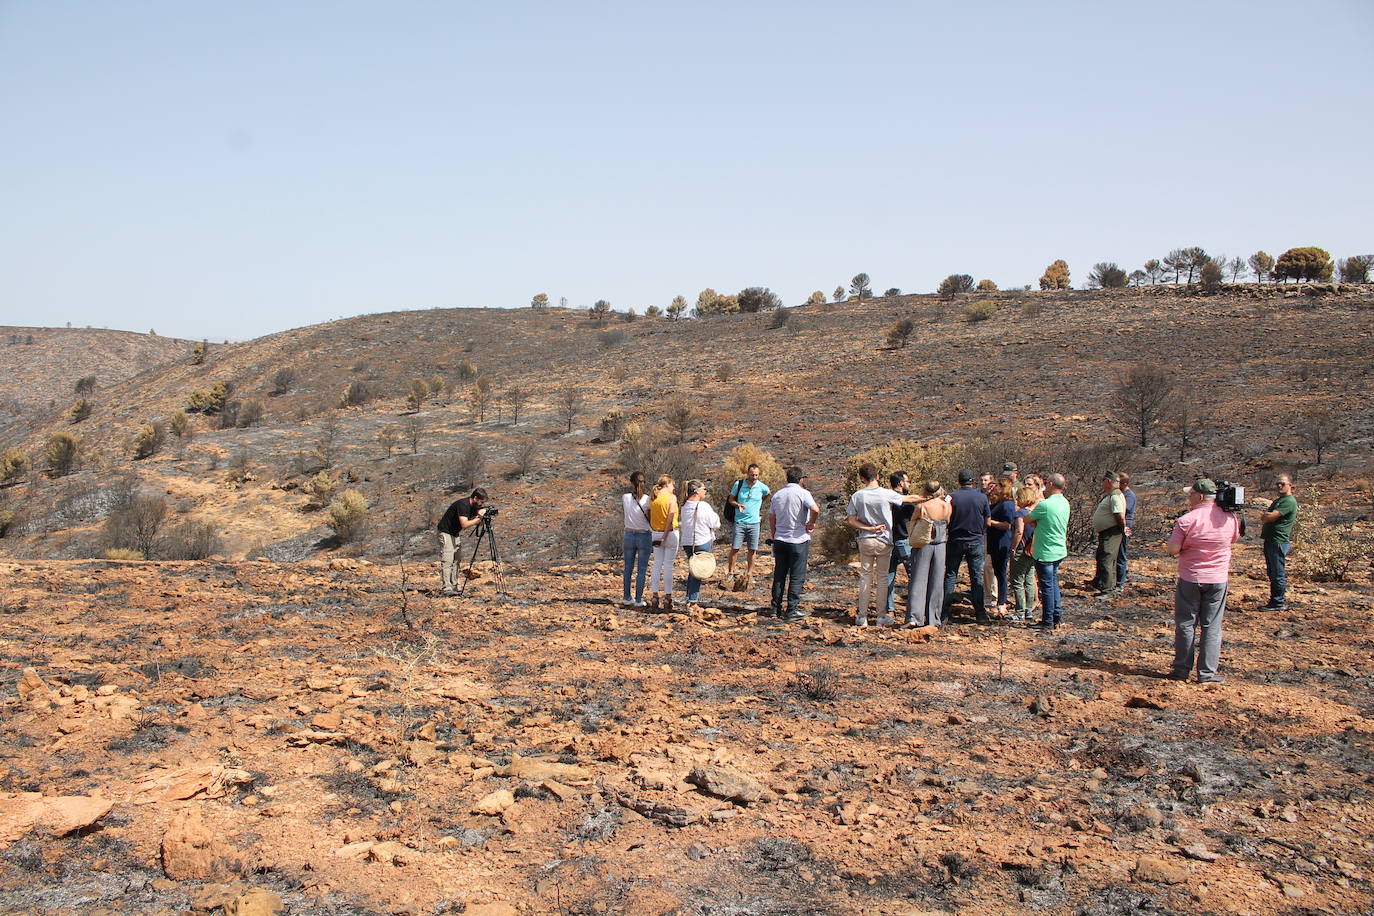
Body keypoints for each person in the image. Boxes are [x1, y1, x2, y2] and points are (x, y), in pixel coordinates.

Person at [1166, 478, 1241, 683]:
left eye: (1190, 494)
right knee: (1212, 627)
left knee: (1186, 624)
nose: (1189, 498)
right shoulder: (1231, 518)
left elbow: (1172, 550)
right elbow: (1234, 539)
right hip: (1217, 579)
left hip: (1191, 578)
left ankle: (1181, 670)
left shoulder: (1186, 520)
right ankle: (1207, 674)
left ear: (1199, 496)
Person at [846, 462, 920, 626]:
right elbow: (908, 498)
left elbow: (851, 519)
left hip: (865, 539)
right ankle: (880, 616)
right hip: (884, 540)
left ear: (862, 478)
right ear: (878, 476)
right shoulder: (886, 494)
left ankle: (862, 616)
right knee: (882, 578)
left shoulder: (857, 496)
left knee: (865, 577)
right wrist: (927, 496)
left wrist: (868, 528)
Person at [768, 466, 820, 621]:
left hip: (780, 539)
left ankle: (775, 608)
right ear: (800, 479)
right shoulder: (803, 493)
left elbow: (771, 516)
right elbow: (815, 509)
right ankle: (792, 609)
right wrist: (811, 523)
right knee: (797, 575)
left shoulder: (778, 495)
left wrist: (774, 533)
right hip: (798, 539)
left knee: (779, 574)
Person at [943, 469, 991, 625]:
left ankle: (944, 612)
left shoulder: (951, 497)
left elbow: (945, 518)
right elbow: (987, 521)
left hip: (955, 540)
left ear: (959, 481)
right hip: (976, 540)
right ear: (973, 481)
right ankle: (980, 613)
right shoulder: (982, 497)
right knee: (976, 577)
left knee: (950, 575)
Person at [1027, 474, 1070, 630]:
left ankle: (1047, 621)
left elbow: (1026, 519)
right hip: (1058, 549)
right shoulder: (1065, 502)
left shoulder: (1045, 505)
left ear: (1051, 484)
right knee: (1052, 583)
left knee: (1046, 587)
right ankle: (1056, 616)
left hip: (1045, 551)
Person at [906, 481, 951, 627]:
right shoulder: (947, 505)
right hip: (941, 544)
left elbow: (912, 521)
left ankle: (915, 617)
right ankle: (934, 619)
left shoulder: (922, 506)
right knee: (937, 581)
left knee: (919, 580)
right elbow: (948, 521)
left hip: (924, 544)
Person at [1257, 474, 1299, 612]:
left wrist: (1267, 516)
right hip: (1271, 541)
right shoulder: (1278, 501)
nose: (1279, 486)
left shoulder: (1288, 501)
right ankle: (1275, 600)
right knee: (1272, 572)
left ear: (1290, 485)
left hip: (1278, 541)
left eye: (1282, 483)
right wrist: (1266, 516)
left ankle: (1278, 602)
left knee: (1277, 572)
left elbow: (1269, 517)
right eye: (1277, 484)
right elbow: (1266, 516)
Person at [436, 487, 489, 595]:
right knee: (448, 560)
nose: (481, 505)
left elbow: (477, 523)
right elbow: (464, 524)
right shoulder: (463, 505)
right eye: (481, 502)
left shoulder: (474, 507)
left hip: (455, 534)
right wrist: (479, 517)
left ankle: (454, 586)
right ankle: (447, 588)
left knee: (457, 560)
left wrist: (484, 519)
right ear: (475, 498)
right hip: (445, 532)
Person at [725, 464, 771, 586]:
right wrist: (738, 505)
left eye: (756, 475)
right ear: (748, 474)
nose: (754, 477)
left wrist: (759, 503)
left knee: (752, 549)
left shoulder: (761, 487)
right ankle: (730, 573)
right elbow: (731, 500)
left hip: (754, 523)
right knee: (735, 548)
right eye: (752, 475)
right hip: (740, 522)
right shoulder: (739, 484)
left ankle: (749, 574)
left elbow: (768, 493)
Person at [679, 479, 720, 612]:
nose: (705, 492)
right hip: (701, 541)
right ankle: (692, 602)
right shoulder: (703, 506)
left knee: (693, 570)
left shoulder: (684, 507)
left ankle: (689, 599)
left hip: (687, 542)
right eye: (704, 489)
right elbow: (715, 523)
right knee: (698, 572)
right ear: (697, 491)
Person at [883, 471, 915, 620]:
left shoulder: (886, 499)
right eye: (908, 481)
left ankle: (889, 609)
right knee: (914, 576)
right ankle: (914, 610)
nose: (909, 484)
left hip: (887, 542)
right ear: (901, 483)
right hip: (904, 541)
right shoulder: (906, 502)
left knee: (888, 577)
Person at [1090, 472, 1127, 598]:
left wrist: (1122, 529)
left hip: (1112, 531)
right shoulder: (1112, 495)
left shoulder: (1115, 496)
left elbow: (1119, 514)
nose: (1102, 484)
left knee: (1107, 558)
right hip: (1108, 531)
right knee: (1104, 557)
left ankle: (1108, 590)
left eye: (1103, 481)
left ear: (1109, 481)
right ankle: (1103, 584)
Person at [647, 476, 680, 611]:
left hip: (655, 532)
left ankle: (654, 596)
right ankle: (667, 597)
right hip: (670, 534)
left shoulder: (653, 498)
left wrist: (655, 530)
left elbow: (649, 515)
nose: (674, 487)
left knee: (657, 564)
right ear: (667, 484)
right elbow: (670, 518)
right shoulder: (671, 498)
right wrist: (665, 536)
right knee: (668, 566)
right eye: (672, 485)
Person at [620, 471, 652, 607]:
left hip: (629, 534)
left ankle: (627, 597)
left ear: (631, 482)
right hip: (643, 534)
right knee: (642, 569)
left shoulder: (625, 497)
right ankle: (639, 599)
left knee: (628, 568)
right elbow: (650, 519)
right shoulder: (648, 500)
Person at [1008, 485, 1039, 622]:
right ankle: (1029, 610)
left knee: (1017, 581)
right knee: (1029, 579)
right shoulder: (1035, 513)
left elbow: (1019, 531)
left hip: (1021, 549)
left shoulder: (1020, 514)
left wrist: (1013, 547)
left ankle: (1020, 611)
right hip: (1032, 550)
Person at [987, 475, 1017, 615]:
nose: (995, 487)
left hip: (1002, 542)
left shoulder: (1007, 504)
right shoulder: (998, 502)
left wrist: (990, 522)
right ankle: (1000, 601)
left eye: (998, 485)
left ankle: (1002, 602)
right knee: (997, 571)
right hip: (994, 541)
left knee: (1001, 573)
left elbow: (1007, 525)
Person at [1115, 471, 1137, 590]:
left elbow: (1125, 509)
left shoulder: (1129, 496)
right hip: (1119, 527)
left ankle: (1120, 582)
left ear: (1123, 483)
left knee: (1121, 554)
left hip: (1125, 527)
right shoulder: (1122, 494)